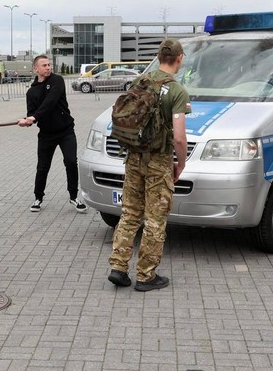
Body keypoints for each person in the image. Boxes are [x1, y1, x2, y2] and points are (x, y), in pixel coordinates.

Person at [107, 39, 189, 292]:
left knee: (130, 213)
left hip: (133, 157)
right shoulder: (177, 91)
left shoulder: (139, 82)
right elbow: (178, 136)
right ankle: (146, 275)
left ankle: (118, 268)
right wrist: (181, 163)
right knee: (155, 218)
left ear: (157, 56)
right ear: (180, 58)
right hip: (158, 161)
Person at [17, 55, 87, 213]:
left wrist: (34, 117)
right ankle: (38, 197)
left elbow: (51, 101)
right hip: (46, 134)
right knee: (42, 167)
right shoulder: (31, 92)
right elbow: (32, 114)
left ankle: (74, 197)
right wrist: (28, 121)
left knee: (70, 161)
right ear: (36, 69)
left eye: (49, 65)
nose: (48, 67)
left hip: (66, 130)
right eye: (44, 65)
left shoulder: (57, 80)